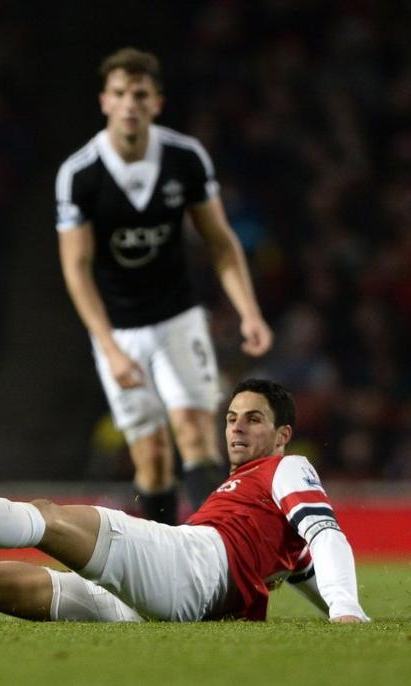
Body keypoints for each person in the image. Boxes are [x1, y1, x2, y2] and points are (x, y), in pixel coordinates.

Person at [0, 379, 369, 623]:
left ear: (283, 434)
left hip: (193, 564)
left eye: (253, 420)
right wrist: (332, 604)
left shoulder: (287, 467)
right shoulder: (257, 507)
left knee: (50, 517)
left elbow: (326, 535)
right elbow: (308, 564)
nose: (236, 428)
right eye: (232, 417)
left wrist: (348, 614)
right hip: (166, 604)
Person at [54, 48, 274, 523]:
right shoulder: (80, 174)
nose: (129, 104)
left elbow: (220, 241)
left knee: (195, 435)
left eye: (140, 94)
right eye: (119, 93)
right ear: (104, 101)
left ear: (157, 102)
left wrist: (249, 313)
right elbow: (77, 267)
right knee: (151, 459)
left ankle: (223, 550)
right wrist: (109, 347)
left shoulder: (185, 158)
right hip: (118, 327)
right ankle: (163, 560)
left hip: (178, 316)